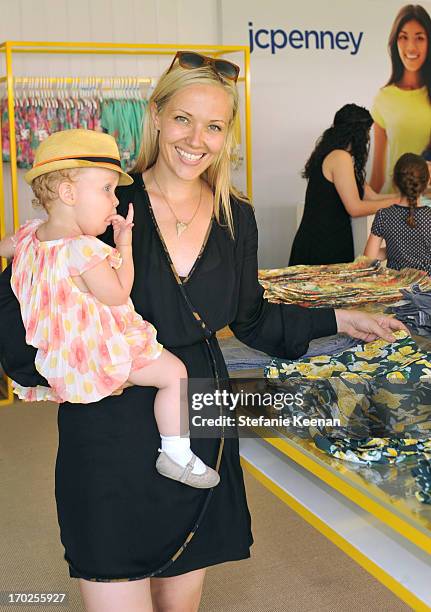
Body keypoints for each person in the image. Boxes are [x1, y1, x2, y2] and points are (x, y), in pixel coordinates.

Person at [0, 52, 406, 612]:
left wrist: (341, 318)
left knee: (182, 601)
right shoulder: (104, 204)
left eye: (214, 126)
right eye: (184, 119)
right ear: (158, 116)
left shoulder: (235, 215)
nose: (196, 139)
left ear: (226, 136)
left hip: (201, 420)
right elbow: (20, 310)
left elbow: (253, 318)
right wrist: (68, 371)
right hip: (108, 425)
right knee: (113, 581)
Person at [0, 129, 219, 489]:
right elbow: (119, 293)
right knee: (176, 374)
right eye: (106, 190)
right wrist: (124, 245)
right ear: (68, 193)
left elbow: (6, 248)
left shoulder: (29, 237)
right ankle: (176, 454)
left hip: (59, 357)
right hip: (99, 352)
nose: (115, 202)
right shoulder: (84, 251)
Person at [289, 104, 396, 266]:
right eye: (366, 133)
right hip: (323, 245)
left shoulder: (337, 156)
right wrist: (400, 202)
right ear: (357, 133)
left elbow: (373, 197)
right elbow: (355, 207)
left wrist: (409, 196)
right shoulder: (340, 157)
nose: (368, 139)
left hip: (328, 240)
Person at [370, 4, 431, 194]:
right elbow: (378, 178)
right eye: (403, 37)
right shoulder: (384, 98)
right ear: (395, 43)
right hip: (395, 204)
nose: (411, 46)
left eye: (419, 38)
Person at [365, 152, 431, 272]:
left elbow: (369, 259)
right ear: (426, 183)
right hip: (426, 288)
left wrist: (393, 249)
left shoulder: (384, 215)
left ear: (395, 181)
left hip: (396, 287)